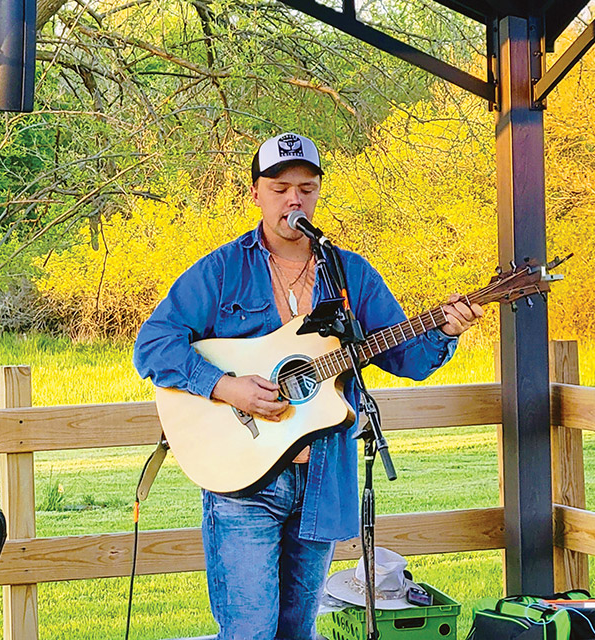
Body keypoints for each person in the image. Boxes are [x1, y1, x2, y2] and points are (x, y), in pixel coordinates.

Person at [133, 132, 483, 640]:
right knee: (250, 632)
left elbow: (404, 355)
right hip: (243, 484)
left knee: (299, 632)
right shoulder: (224, 270)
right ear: (255, 193)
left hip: (323, 480)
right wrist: (225, 387)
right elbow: (153, 344)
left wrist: (447, 330)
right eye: (279, 188)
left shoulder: (349, 275)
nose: (294, 199)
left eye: (306, 187)